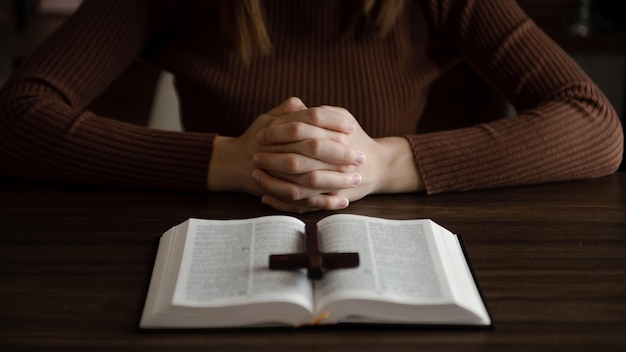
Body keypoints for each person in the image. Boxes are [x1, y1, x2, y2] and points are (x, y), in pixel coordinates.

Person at [0, 0, 622, 213]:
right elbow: (18, 116)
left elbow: (594, 123)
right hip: (217, 254)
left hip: (387, 252)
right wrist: (228, 163)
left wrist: (383, 165)